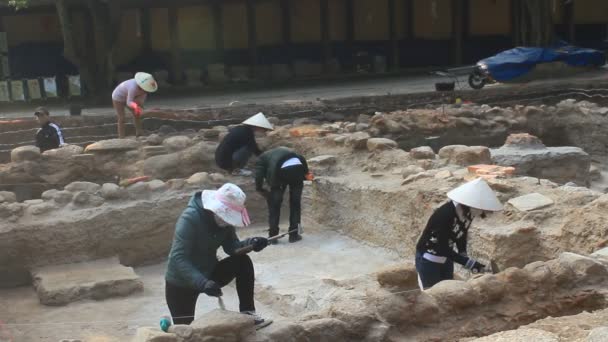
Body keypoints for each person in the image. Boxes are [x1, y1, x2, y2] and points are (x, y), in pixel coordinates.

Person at [165, 183, 272, 328]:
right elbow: (178, 258)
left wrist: (252, 243)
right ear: (214, 208)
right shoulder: (189, 219)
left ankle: (248, 312)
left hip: (209, 272)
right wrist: (202, 283)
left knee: (242, 261)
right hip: (181, 281)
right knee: (186, 332)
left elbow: (232, 247)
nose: (227, 222)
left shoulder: (225, 224)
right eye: (224, 217)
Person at [415, 178, 503, 290]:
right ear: (470, 204)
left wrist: (463, 253)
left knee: (447, 290)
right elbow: (442, 247)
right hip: (429, 258)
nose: (481, 212)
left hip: (446, 259)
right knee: (433, 293)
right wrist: (468, 262)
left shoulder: (468, 213)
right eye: (480, 209)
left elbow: (462, 233)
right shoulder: (444, 215)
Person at [255, 146, 308, 243]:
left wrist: (259, 188)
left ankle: (273, 237)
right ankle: (294, 235)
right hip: (298, 167)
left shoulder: (262, 158)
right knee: (295, 204)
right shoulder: (285, 151)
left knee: (274, 206)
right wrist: (305, 174)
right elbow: (301, 159)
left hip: (279, 173)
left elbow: (258, 175)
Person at [112, 72, 158, 138]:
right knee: (122, 117)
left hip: (131, 97)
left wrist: (142, 110)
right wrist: (135, 106)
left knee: (137, 114)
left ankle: (139, 132)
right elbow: (129, 102)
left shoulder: (145, 91)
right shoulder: (133, 87)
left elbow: (140, 103)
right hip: (118, 97)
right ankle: (121, 137)